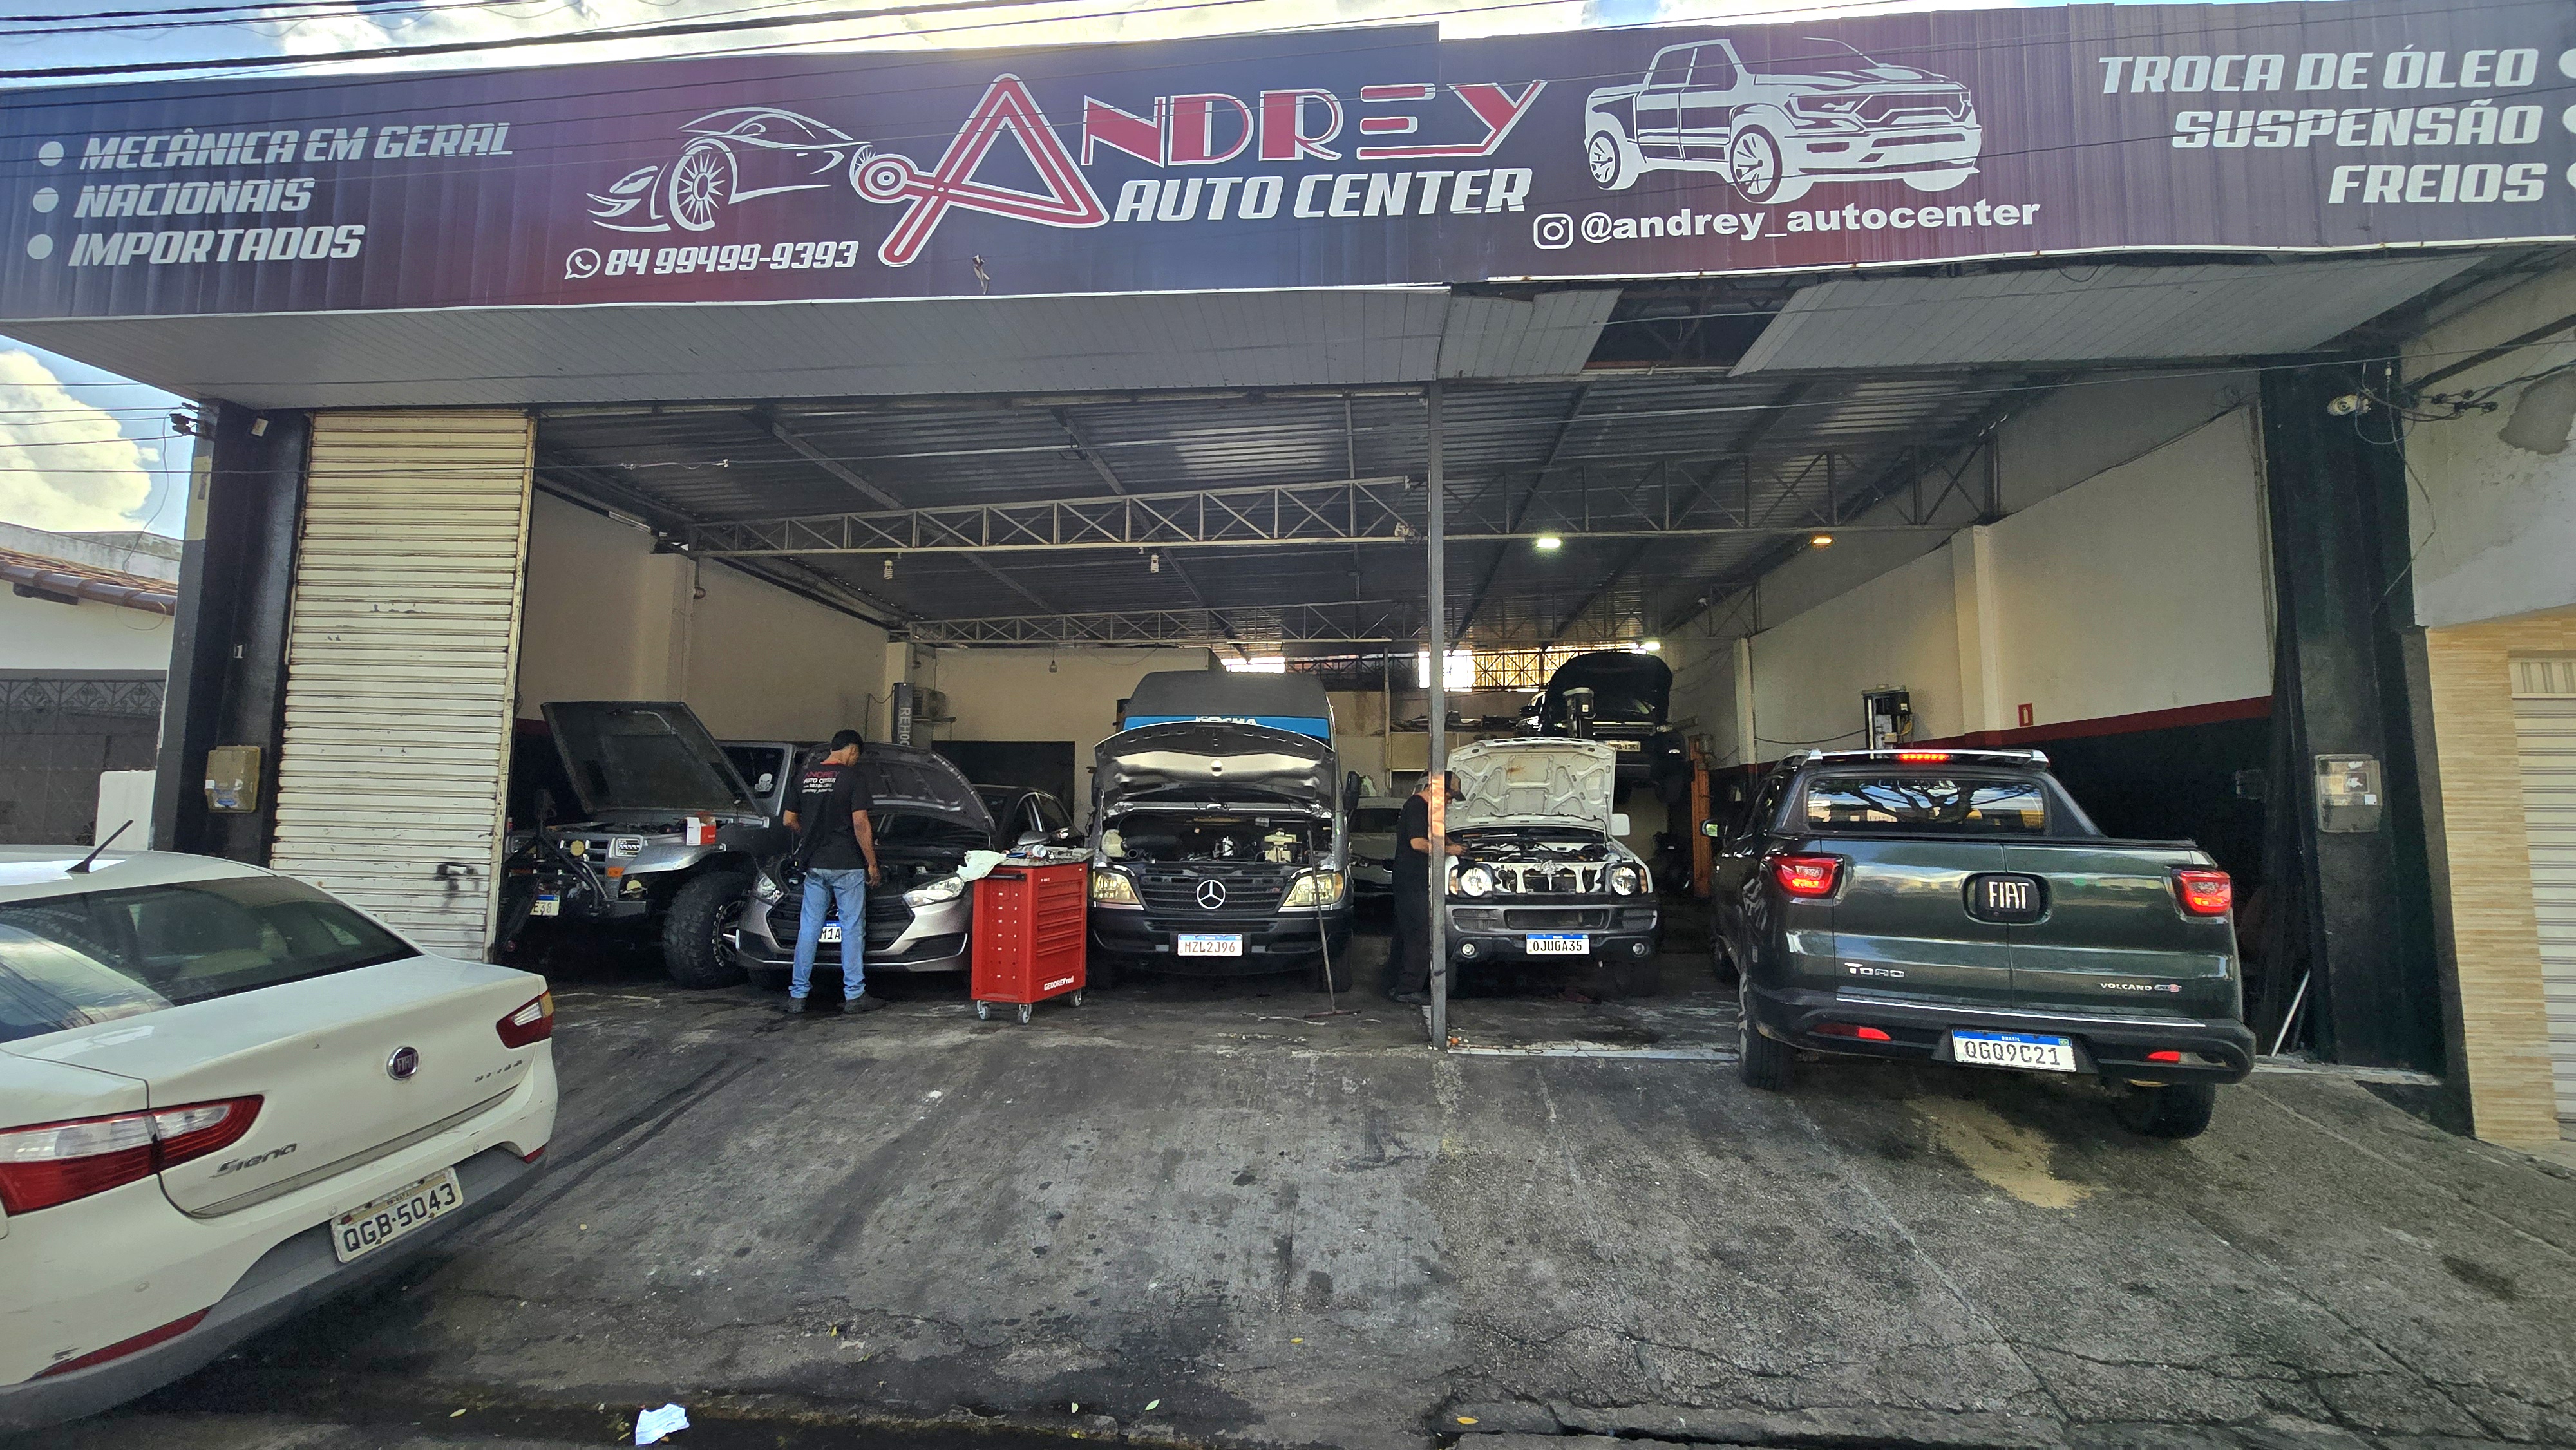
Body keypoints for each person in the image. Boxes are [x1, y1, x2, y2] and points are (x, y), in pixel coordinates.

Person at [782, 730, 882, 1015]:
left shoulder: (804, 776)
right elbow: (860, 823)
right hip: (847, 864)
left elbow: (789, 820)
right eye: (857, 755)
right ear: (851, 750)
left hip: (815, 863)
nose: (856, 760)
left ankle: (798, 995)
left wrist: (811, 835)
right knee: (851, 928)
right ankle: (854, 995)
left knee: (809, 928)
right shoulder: (852, 778)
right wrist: (872, 863)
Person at [1387, 771, 1463, 1006]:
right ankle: (1407, 989)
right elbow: (1418, 843)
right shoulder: (1417, 807)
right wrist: (1449, 851)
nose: (1449, 802)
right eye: (1448, 797)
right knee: (1420, 934)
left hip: (1415, 881)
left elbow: (1436, 832)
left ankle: (1394, 983)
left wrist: (1453, 843)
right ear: (1436, 789)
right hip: (1412, 882)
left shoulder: (1428, 809)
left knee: (1406, 934)